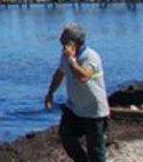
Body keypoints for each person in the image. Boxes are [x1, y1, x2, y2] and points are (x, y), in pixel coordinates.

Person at [43, 23, 109, 162]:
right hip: (74, 108)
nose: (61, 41)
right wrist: (50, 93)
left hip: (94, 110)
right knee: (66, 135)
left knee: (96, 150)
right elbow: (60, 73)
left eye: (64, 38)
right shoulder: (65, 56)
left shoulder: (90, 56)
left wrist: (72, 61)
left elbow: (84, 76)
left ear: (73, 42)